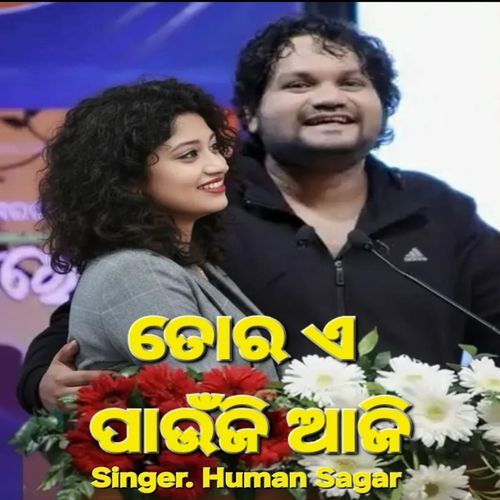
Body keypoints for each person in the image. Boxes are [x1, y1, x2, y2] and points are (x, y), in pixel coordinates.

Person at [17, 15, 500, 414]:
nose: (330, 97)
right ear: (249, 112)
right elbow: (96, 314)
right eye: (299, 84)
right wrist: (40, 381)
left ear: (383, 103)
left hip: (422, 467)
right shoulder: (204, 204)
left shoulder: (437, 208)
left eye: (351, 82)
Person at [23, 78, 278, 408]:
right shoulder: (134, 272)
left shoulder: (189, 261)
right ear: (128, 180)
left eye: (215, 147)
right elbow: (214, 406)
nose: (219, 165)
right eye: (189, 155)